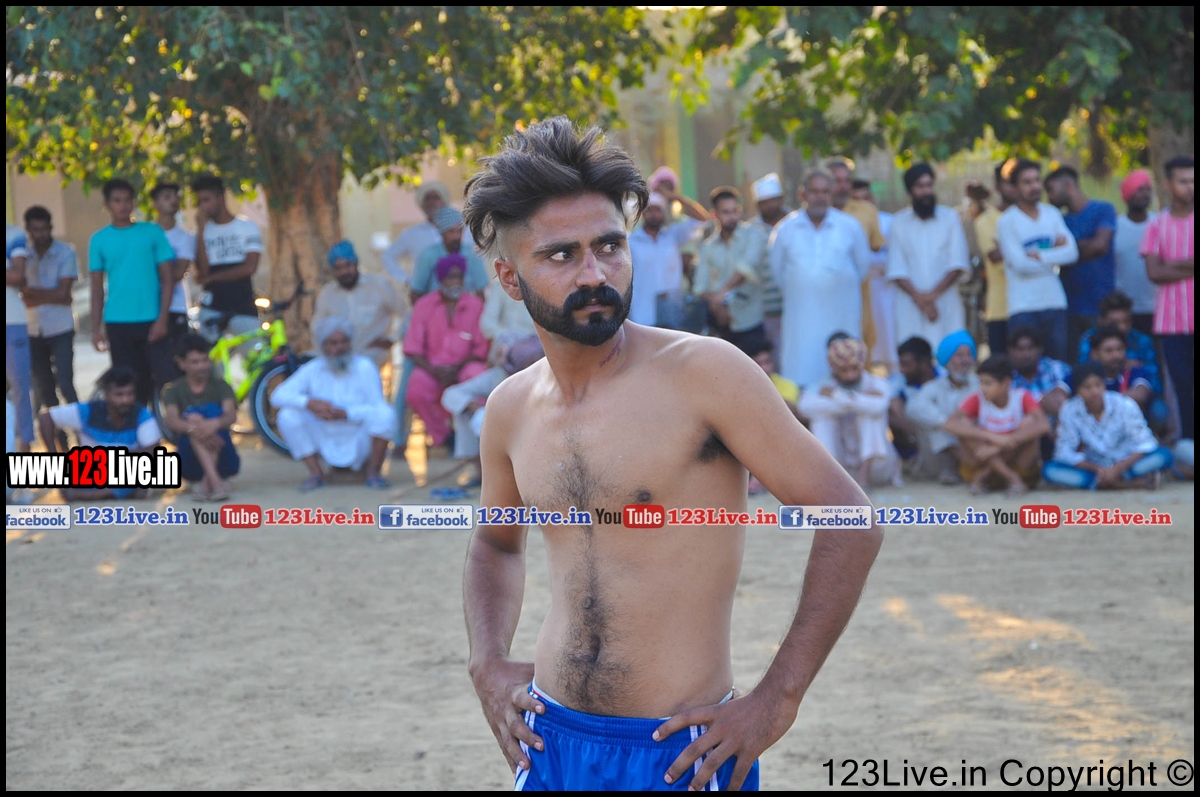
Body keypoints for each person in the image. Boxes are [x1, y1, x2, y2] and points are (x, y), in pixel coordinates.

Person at [460, 116, 882, 792]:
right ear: (510, 278)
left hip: (682, 753)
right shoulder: (511, 407)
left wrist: (777, 698)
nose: (595, 273)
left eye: (609, 246)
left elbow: (850, 518)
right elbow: (495, 544)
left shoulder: (705, 373)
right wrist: (486, 660)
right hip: (550, 742)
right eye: (562, 256)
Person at [769, 172, 871, 387]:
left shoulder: (850, 226)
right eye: (814, 192)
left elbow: (862, 268)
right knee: (801, 366)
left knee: (844, 367)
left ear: (832, 194)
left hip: (842, 314)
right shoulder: (785, 229)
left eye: (825, 191)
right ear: (802, 194)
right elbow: (778, 272)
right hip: (801, 317)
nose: (820, 197)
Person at [272, 317, 396, 491]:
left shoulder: (364, 367)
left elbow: (377, 406)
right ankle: (316, 474)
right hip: (324, 436)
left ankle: (374, 473)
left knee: (386, 414)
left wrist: (346, 413)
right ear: (323, 346)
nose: (340, 348)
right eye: (333, 343)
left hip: (358, 438)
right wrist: (309, 403)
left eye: (344, 342)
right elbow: (277, 396)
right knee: (288, 416)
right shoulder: (313, 368)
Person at [88, 178, 177, 406]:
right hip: (118, 322)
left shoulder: (152, 232)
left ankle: (171, 425)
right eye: (117, 201)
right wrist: (96, 329)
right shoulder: (98, 240)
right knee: (128, 386)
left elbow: (168, 279)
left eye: (127, 200)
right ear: (107, 205)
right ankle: (135, 428)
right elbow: (96, 288)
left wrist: (162, 320)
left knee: (167, 382)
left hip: (152, 320)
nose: (123, 205)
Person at [404, 254, 491, 451]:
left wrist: (457, 368)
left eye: (459, 277)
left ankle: (480, 436)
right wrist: (433, 370)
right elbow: (413, 347)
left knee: (478, 376)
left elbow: (481, 348)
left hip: (465, 365)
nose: (455, 282)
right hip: (432, 368)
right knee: (416, 389)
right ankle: (443, 437)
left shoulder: (475, 305)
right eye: (451, 277)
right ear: (441, 280)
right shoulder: (424, 305)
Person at [996, 160, 1078, 362]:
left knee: (1058, 365)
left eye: (1036, 180)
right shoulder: (1007, 222)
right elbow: (1020, 265)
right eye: (1027, 182)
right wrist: (1054, 252)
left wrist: (1040, 255)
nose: (1034, 186)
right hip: (1022, 306)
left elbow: (1072, 253)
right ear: (1014, 188)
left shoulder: (1052, 214)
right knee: (1025, 367)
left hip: (1054, 302)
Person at [37, 367, 161, 501]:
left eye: (129, 394)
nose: (125, 400)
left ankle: (86, 495)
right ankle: (113, 492)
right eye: (119, 395)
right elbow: (46, 418)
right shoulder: (88, 411)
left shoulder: (142, 415)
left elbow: (152, 450)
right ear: (106, 394)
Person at [1043, 362, 1172, 489]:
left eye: (1098, 385)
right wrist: (1097, 469)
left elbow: (1146, 442)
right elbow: (1064, 451)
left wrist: (1118, 468)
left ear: (1104, 385)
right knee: (1050, 470)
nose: (1094, 391)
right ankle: (1125, 483)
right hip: (1094, 468)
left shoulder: (1124, 404)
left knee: (1163, 455)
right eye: (1087, 387)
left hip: (1126, 462)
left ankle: (1104, 483)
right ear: (1078, 391)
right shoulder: (1069, 410)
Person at [441, 334, 545, 487]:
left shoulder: (546, 375)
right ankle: (483, 476)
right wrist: (477, 408)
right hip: (505, 434)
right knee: (472, 415)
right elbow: (451, 394)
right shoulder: (498, 376)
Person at [886, 163, 971, 349]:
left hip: (945, 301)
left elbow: (957, 263)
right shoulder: (898, 223)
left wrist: (933, 296)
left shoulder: (950, 218)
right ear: (910, 190)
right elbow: (897, 268)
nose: (926, 192)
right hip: (910, 304)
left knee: (950, 351)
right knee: (913, 354)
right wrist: (921, 300)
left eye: (929, 185)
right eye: (920, 186)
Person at [798, 335, 897, 489]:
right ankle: (828, 479)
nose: (850, 375)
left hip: (877, 468)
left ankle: (864, 479)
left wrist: (836, 395)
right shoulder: (822, 384)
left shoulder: (878, 383)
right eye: (843, 370)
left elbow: (879, 406)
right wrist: (859, 399)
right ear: (833, 367)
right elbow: (805, 406)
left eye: (854, 368)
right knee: (822, 419)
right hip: (841, 469)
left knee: (869, 416)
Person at [1141, 156, 1194, 445]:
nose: (1190, 187)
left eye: (1193, 181)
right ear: (1168, 184)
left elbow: (1163, 269)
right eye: (1183, 181)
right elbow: (1154, 272)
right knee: (1182, 388)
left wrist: (1171, 264)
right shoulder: (1156, 225)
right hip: (1171, 323)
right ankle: (1188, 447)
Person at [943, 354, 1050, 496]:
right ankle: (1012, 478)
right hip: (981, 462)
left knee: (1030, 423)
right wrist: (989, 436)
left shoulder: (1021, 397)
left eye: (988, 383)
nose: (983, 388)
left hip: (1016, 466)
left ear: (1006, 383)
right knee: (964, 425)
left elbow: (1044, 424)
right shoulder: (977, 399)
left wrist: (1001, 446)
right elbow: (949, 424)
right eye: (981, 383)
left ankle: (984, 477)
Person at [1045, 165, 1117, 359]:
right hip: (1069, 308)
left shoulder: (1103, 209)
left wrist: (1068, 250)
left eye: (1051, 190)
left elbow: (1099, 246)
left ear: (1068, 185)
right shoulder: (1059, 221)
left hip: (1100, 305)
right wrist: (1083, 245)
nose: (1048, 197)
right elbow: (1054, 256)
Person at [158, 334, 240, 500]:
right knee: (193, 418)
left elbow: (230, 415)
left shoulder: (221, 386)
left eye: (204, 360)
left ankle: (207, 484)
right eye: (195, 362)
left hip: (225, 458)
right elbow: (171, 420)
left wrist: (214, 424)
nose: (202, 366)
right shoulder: (173, 390)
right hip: (189, 463)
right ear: (182, 363)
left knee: (208, 412)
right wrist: (195, 428)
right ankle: (215, 483)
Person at [20, 206, 79, 417]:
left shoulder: (65, 252)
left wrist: (31, 293)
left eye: (44, 229)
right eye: (35, 229)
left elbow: (63, 294)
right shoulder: (23, 256)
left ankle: (80, 428)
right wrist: (55, 296)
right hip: (33, 328)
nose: (41, 234)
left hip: (61, 327)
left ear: (51, 228)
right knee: (45, 387)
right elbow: (24, 297)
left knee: (65, 382)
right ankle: (56, 433)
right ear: (28, 230)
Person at [693, 187, 767, 354]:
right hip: (721, 324)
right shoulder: (708, 247)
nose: (732, 217)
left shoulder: (754, 235)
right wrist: (717, 305)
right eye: (726, 212)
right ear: (715, 214)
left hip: (750, 318)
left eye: (735, 211)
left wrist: (720, 296)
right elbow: (700, 286)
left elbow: (745, 269)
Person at [191, 174, 264, 339]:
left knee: (255, 352)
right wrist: (201, 231)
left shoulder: (247, 226)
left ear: (221, 198)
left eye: (206, 200)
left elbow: (249, 267)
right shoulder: (202, 233)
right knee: (210, 354)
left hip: (243, 306)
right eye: (200, 202)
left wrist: (213, 278)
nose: (203, 206)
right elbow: (202, 273)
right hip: (211, 309)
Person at [312, 240, 403, 370]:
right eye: (338, 268)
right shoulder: (327, 293)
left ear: (356, 264)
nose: (344, 272)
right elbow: (317, 328)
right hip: (338, 355)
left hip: (371, 356)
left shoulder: (378, 286)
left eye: (347, 266)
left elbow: (408, 314)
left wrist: (392, 340)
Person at [906, 330, 980, 484]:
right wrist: (946, 423)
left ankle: (973, 468)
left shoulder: (980, 384)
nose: (965, 360)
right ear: (947, 360)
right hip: (939, 460)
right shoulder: (934, 387)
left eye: (968, 355)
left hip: (975, 445)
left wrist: (960, 426)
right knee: (936, 426)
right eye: (959, 356)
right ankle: (958, 469)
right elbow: (913, 408)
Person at [828, 159, 887, 353]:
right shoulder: (815, 215)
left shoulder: (866, 211)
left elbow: (876, 247)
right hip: (823, 293)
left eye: (847, 181)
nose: (843, 186)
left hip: (860, 293)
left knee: (861, 340)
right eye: (837, 181)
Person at [628, 188, 706, 330]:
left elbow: (702, 220)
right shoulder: (631, 242)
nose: (654, 214)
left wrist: (675, 197)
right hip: (642, 314)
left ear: (663, 212)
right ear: (642, 213)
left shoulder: (673, 236)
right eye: (649, 210)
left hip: (672, 313)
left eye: (658, 209)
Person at [381, 181, 467, 285]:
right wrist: (405, 279)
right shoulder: (412, 234)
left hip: (461, 290)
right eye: (427, 198)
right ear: (422, 204)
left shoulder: (463, 230)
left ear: (444, 201)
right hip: (423, 291)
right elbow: (387, 256)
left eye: (436, 197)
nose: (432, 202)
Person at [852, 179, 899, 372]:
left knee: (889, 330)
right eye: (858, 199)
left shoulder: (889, 221)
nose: (864, 203)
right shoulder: (850, 222)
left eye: (866, 198)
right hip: (863, 288)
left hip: (886, 287)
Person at [1078, 291, 1162, 396]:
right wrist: (1117, 365)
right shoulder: (1089, 339)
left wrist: (1139, 369)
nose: (1122, 327)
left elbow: (1156, 383)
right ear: (1101, 321)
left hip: (1138, 394)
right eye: (1114, 323)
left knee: (1159, 406)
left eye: (1126, 321)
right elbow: (1082, 374)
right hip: (1098, 394)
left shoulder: (1143, 341)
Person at [975, 160, 1018, 355]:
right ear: (997, 186)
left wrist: (1006, 248)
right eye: (1010, 181)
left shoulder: (1041, 215)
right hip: (1000, 309)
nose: (1015, 186)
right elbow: (995, 257)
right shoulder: (985, 221)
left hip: (1033, 306)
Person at [149, 182, 196, 346]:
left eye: (176, 197)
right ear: (155, 203)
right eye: (167, 197)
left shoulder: (186, 237)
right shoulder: (146, 236)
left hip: (177, 307)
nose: (173, 201)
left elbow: (178, 273)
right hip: (147, 308)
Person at [411, 206, 490, 300]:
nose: (456, 236)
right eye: (451, 232)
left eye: (459, 231)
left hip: (466, 307)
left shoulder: (472, 254)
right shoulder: (428, 256)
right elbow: (415, 293)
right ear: (442, 233)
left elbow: (480, 293)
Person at [1113, 170, 1158, 335]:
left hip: (1159, 306)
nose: (1145, 194)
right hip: (1126, 310)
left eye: (1148, 189)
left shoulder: (1159, 223)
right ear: (1128, 194)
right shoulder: (1115, 227)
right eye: (1139, 189)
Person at [750, 173, 789, 353]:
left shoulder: (795, 224)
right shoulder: (751, 231)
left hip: (795, 305)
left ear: (781, 199)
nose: (770, 205)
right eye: (765, 202)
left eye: (774, 200)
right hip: (765, 310)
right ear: (758, 204)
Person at [888, 336, 938, 470]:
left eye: (906, 364)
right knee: (893, 405)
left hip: (938, 433)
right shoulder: (898, 380)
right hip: (911, 438)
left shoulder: (943, 379)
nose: (902, 370)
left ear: (924, 363)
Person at [6, 223, 34, 452]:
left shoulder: (14, 234)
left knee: (20, 388)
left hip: (12, 320)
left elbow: (17, 276)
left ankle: (24, 451)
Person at [1087, 325, 1155, 416]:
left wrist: (1096, 401)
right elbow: (1065, 394)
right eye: (1109, 350)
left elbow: (1140, 394)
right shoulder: (1084, 375)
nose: (1116, 355)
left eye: (1119, 349)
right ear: (1094, 354)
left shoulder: (1135, 371)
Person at [1007, 326, 1071, 417]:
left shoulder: (1057, 369)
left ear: (1040, 349)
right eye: (1020, 349)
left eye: (1030, 348)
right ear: (1011, 352)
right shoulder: (1006, 380)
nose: (1026, 355)